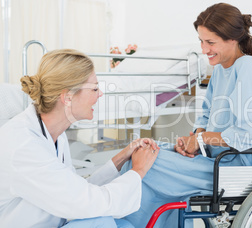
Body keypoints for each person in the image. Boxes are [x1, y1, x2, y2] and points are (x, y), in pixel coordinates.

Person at [121, 3, 252, 227]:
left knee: (149, 165)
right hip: (216, 158)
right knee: (143, 150)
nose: (204, 50)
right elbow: (206, 116)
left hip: (240, 166)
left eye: (210, 42)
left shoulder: (248, 68)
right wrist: (193, 139)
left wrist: (201, 140)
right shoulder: (220, 70)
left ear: (233, 39)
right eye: (201, 41)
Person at [0, 49, 160, 228]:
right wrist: (137, 171)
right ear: (68, 97)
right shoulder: (23, 146)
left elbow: (73, 190)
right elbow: (85, 202)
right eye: (94, 88)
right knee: (103, 223)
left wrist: (120, 159)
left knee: (121, 225)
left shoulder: (55, 135)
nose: (100, 94)